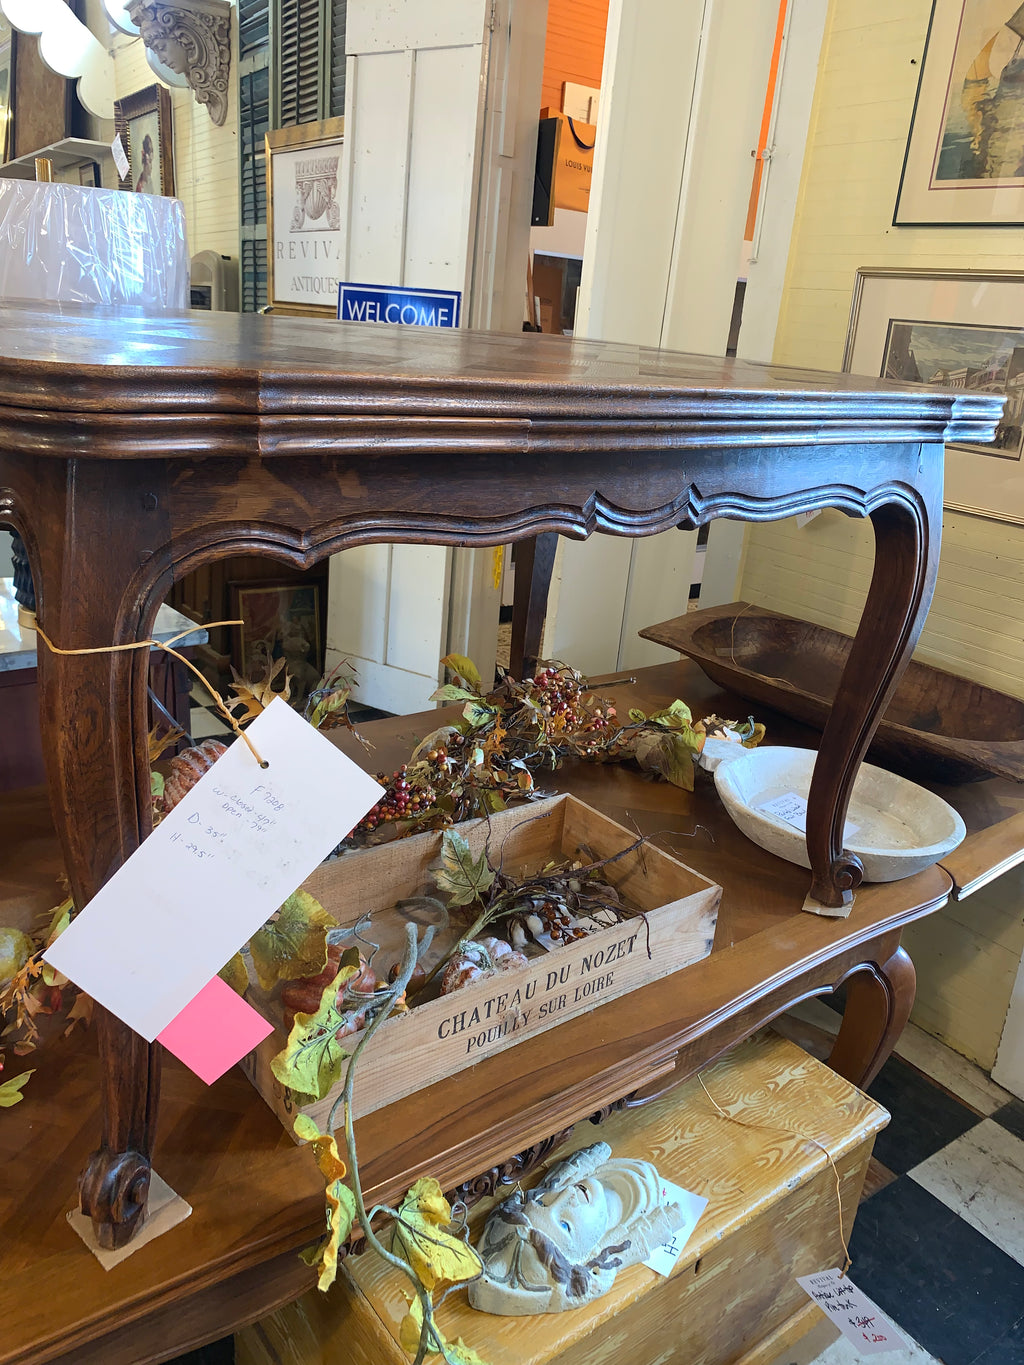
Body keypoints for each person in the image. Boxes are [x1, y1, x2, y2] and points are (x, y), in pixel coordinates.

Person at [469, 1142, 686, 1315]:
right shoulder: (637, 1207)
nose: (566, 1195)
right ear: (588, 1256)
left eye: (543, 1203)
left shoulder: (565, 1187)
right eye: (565, 1225)